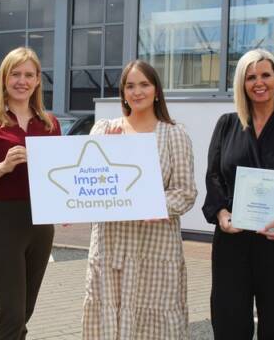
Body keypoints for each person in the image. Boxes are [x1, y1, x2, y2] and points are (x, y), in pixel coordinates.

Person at [82, 60, 197, 340]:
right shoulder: (104, 130)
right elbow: (85, 183)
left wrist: (151, 204)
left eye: (144, 84)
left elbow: (185, 192)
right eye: (130, 86)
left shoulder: (173, 134)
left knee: (155, 327)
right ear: (123, 93)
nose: (137, 92)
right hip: (111, 247)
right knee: (106, 324)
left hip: (154, 248)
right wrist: (107, 152)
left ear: (156, 90)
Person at [0, 47, 61, 340]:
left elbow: (60, 176)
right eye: (15, 74)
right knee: (12, 314)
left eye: (29, 75)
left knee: (24, 312)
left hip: (41, 223)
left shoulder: (49, 123)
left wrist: (66, 205)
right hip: (2, 221)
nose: (22, 81)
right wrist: (3, 167)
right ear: (4, 78)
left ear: (38, 80)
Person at [202, 48, 274, 340]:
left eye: (265, 75)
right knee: (230, 322)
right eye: (251, 77)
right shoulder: (227, 124)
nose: (259, 83)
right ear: (242, 83)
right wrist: (221, 213)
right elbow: (213, 176)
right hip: (232, 241)